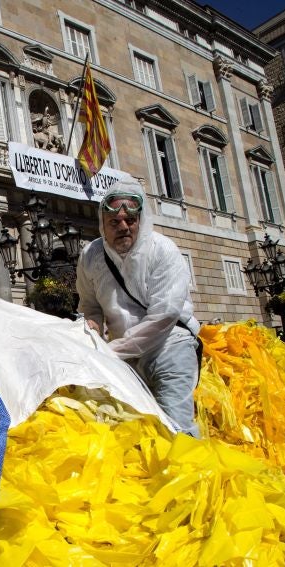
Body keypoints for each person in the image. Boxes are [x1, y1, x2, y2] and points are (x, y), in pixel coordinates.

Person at [76, 182, 202, 437]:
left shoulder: (163, 250)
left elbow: (163, 316)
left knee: (175, 429)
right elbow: (90, 305)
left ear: (141, 220)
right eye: (114, 222)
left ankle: (190, 473)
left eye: (130, 220)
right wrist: (92, 329)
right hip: (122, 357)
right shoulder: (90, 255)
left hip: (169, 347)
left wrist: (110, 351)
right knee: (129, 428)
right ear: (103, 224)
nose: (123, 227)